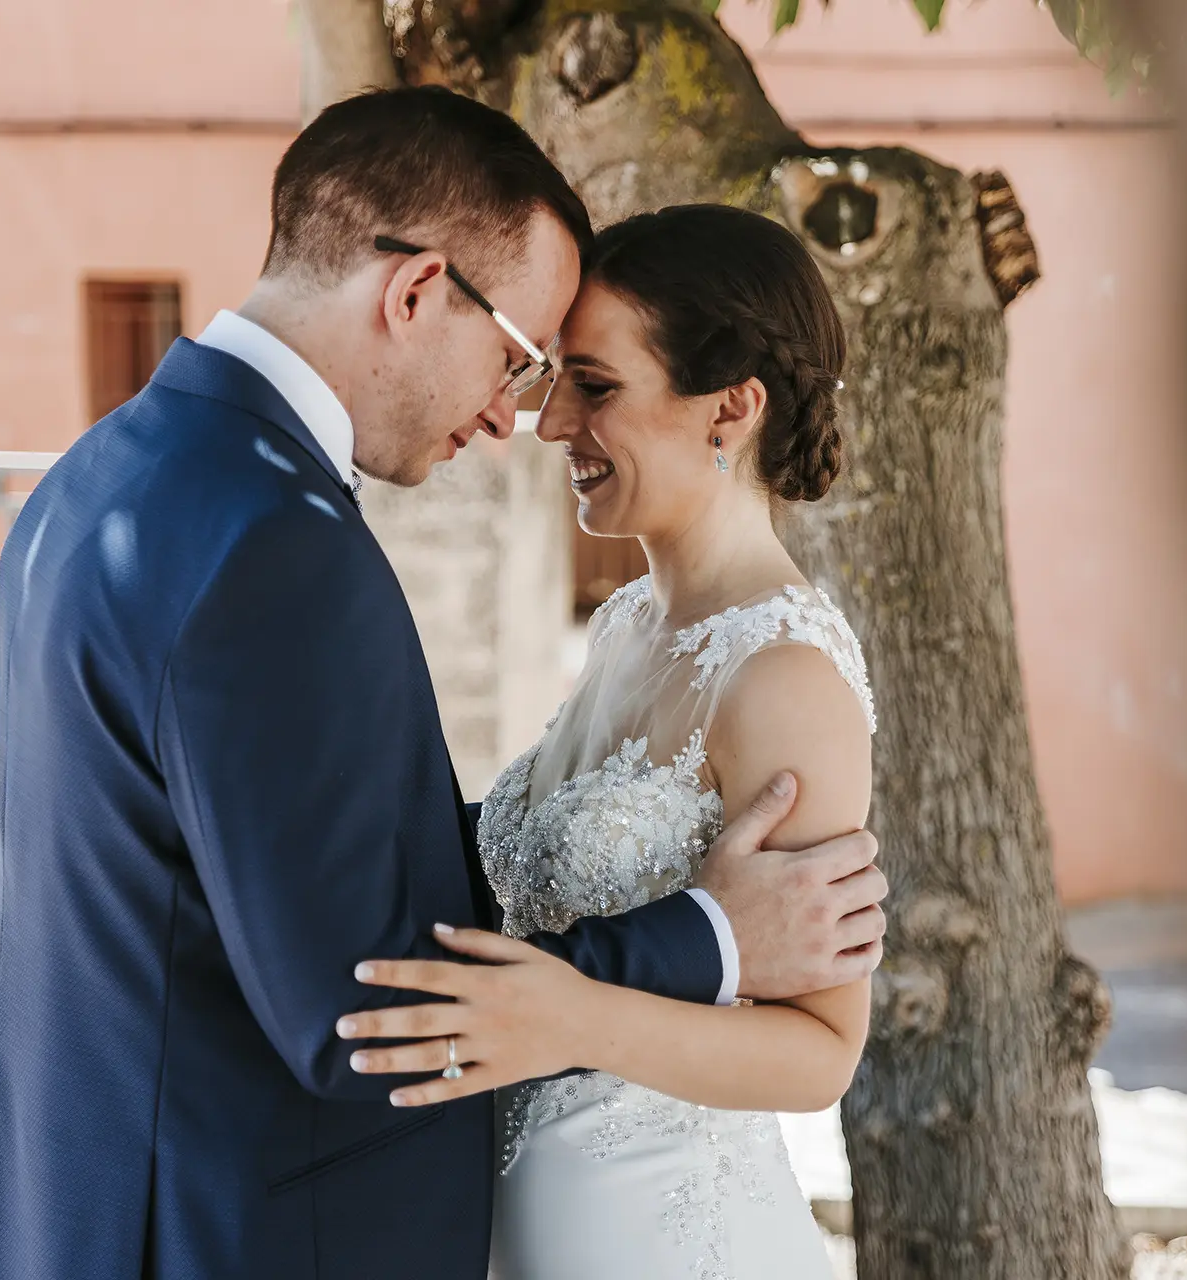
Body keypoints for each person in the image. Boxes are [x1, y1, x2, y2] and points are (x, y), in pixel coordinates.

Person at [0, 88, 885, 1280]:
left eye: (580, 382)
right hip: (199, 1222)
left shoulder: (108, 474)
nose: (519, 418)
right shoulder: (274, 543)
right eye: (524, 361)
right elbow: (358, 998)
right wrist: (706, 936)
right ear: (414, 292)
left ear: (730, 410)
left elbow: (302, 845)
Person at [336, 204, 875, 1279]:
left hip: (668, 1239)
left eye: (595, 386)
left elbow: (821, 1050)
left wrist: (573, 1016)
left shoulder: (784, 676)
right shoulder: (632, 621)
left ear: (730, 408)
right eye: (555, 381)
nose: (547, 424)